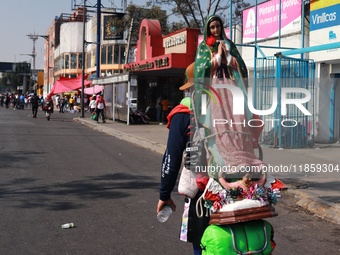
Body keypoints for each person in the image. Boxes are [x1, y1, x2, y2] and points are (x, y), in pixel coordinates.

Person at [193, 15, 264, 182]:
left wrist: (229, 58)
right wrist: (217, 57)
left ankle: (242, 153)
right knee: (220, 119)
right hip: (216, 87)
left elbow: (241, 67)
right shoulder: (204, 47)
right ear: (208, 29)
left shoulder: (230, 44)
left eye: (218, 26)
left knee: (237, 118)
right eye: (212, 27)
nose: (215, 30)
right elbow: (200, 69)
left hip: (232, 86)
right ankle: (223, 156)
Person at [157, 63, 210, 255]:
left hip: (202, 189)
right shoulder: (229, 107)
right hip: (232, 183)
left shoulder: (183, 113)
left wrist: (164, 195)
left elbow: (171, 158)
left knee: (203, 242)